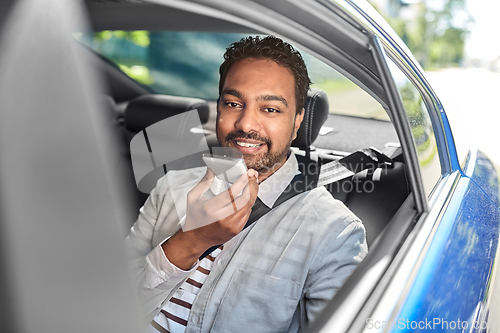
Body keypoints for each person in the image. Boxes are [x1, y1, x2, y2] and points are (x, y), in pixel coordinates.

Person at [124, 35, 368, 333]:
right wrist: (191, 242)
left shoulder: (334, 232)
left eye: (270, 109)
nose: (246, 124)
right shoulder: (171, 187)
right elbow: (106, 303)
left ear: (297, 122)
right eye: (233, 103)